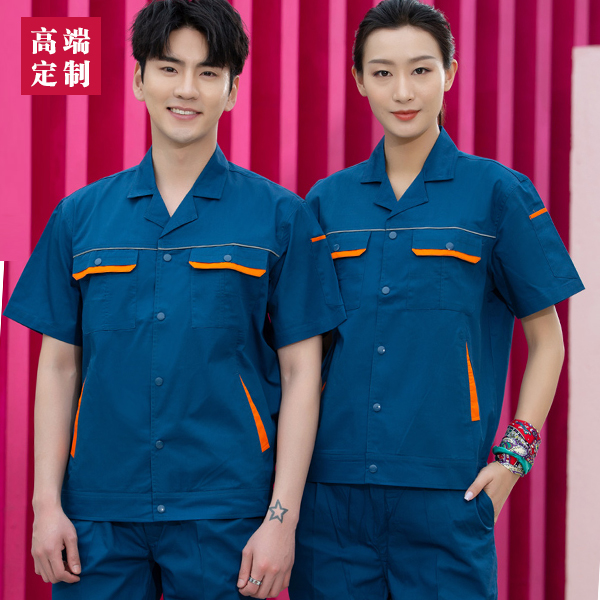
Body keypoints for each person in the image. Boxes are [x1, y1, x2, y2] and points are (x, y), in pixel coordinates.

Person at [4, 1, 345, 598]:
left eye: (208, 72)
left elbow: (301, 375)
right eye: (169, 68)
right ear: (140, 79)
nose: (187, 89)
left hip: (228, 510)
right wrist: (46, 505)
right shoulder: (80, 217)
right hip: (99, 511)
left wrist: (281, 520)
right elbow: (58, 367)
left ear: (231, 91)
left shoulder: (279, 216)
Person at [288, 1, 584, 598]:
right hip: (331, 498)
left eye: (421, 70)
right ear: (359, 80)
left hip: (448, 495)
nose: (403, 91)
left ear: (450, 72)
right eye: (383, 72)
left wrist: (514, 457)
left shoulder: (497, 192)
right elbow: (304, 354)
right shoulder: (326, 202)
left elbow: (547, 338)